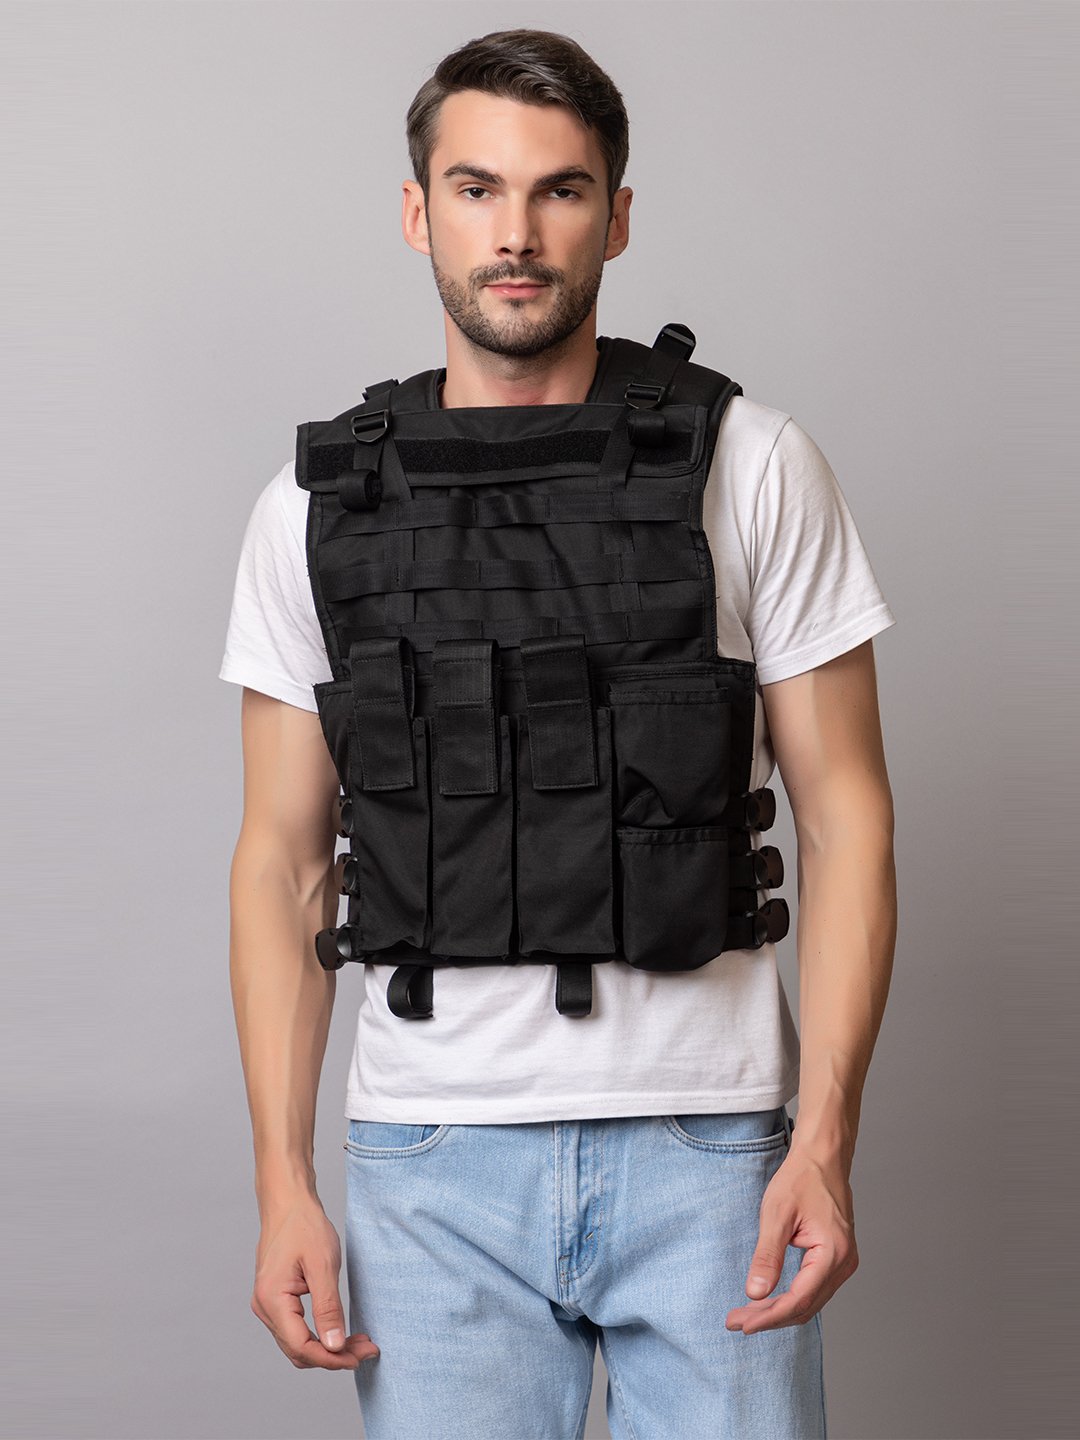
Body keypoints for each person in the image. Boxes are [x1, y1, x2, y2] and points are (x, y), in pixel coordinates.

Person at [220, 27, 897, 1440]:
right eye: (475, 189)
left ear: (618, 215)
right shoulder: (315, 509)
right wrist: (283, 1180)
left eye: (560, 191)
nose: (515, 234)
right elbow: (284, 863)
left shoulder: (755, 466)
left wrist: (825, 1142)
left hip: (711, 1149)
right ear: (419, 213)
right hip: (429, 1161)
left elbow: (847, 818)